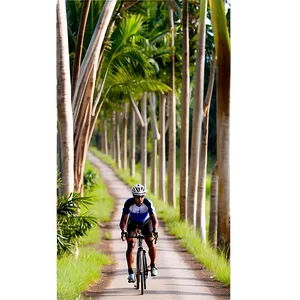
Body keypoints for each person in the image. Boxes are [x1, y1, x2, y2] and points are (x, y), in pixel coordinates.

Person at [119, 183, 159, 283]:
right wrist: (123, 230)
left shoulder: (147, 203)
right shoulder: (128, 203)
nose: (140, 199)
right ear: (134, 197)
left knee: (151, 242)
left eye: (142, 196)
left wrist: (154, 229)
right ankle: (130, 272)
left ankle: (153, 266)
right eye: (137, 197)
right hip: (132, 223)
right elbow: (123, 220)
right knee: (130, 245)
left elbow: (154, 220)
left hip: (146, 222)